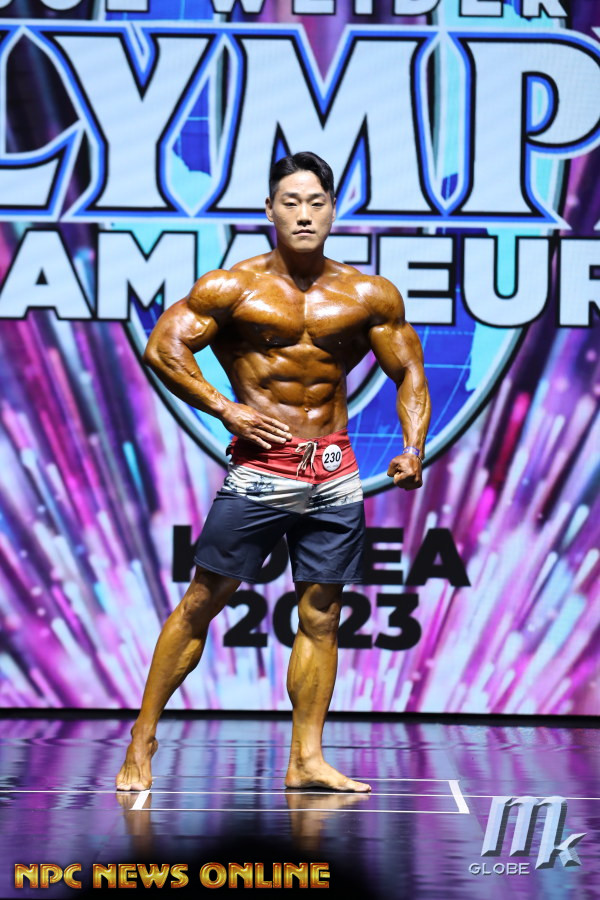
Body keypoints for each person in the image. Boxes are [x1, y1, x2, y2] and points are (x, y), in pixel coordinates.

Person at [116, 151, 430, 793]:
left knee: (322, 615)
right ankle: (142, 737)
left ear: (334, 211)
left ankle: (306, 758)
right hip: (264, 469)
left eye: (316, 202)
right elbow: (163, 347)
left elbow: (409, 372)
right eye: (291, 202)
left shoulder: (368, 294)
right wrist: (225, 408)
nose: (304, 214)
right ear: (269, 210)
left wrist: (412, 446)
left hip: (334, 471)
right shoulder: (233, 287)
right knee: (203, 601)